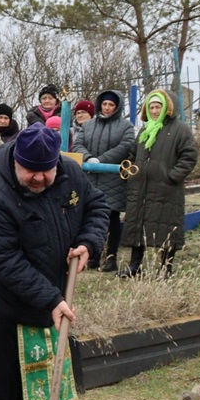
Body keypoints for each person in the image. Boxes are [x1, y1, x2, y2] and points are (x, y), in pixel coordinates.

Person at [0, 123, 108, 400]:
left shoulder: (70, 174)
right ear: (16, 161)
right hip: (5, 302)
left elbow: (97, 206)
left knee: (52, 379)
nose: (39, 177)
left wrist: (88, 243)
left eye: (45, 170)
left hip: (53, 296)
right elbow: (3, 261)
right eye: (31, 170)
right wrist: (52, 299)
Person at [118, 90, 198, 278]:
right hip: (140, 188)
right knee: (138, 226)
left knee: (167, 228)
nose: (154, 111)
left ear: (167, 107)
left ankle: (165, 269)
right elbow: (132, 154)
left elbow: (189, 156)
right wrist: (130, 171)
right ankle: (134, 266)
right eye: (151, 107)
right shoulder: (145, 130)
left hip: (166, 189)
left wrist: (171, 176)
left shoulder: (180, 130)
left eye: (158, 106)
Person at [72, 90, 134, 272]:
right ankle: (94, 256)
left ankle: (111, 257)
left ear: (117, 107)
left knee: (112, 218)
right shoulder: (89, 125)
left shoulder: (125, 126)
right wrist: (89, 158)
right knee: (90, 217)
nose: (107, 108)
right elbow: (78, 143)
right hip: (90, 178)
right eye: (105, 104)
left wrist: (102, 160)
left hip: (112, 179)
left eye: (111, 105)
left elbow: (126, 145)